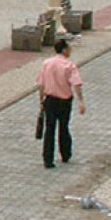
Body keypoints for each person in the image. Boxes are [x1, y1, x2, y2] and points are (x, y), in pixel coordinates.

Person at [36, 39, 85, 169]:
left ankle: (48, 159)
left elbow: (41, 84)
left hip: (50, 100)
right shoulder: (69, 66)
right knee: (64, 127)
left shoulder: (46, 63)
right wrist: (81, 101)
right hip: (64, 100)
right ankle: (65, 153)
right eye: (69, 48)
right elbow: (76, 84)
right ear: (64, 50)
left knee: (49, 129)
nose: (70, 50)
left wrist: (41, 101)